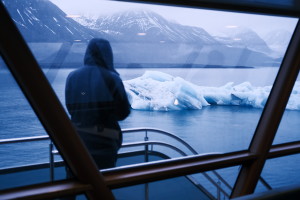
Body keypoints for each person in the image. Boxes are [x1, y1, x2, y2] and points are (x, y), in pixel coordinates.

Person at [65, 38, 131, 171]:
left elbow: (71, 108)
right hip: (105, 144)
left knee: (75, 182)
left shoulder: (72, 77)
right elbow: (123, 112)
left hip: (77, 142)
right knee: (102, 184)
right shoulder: (112, 78)